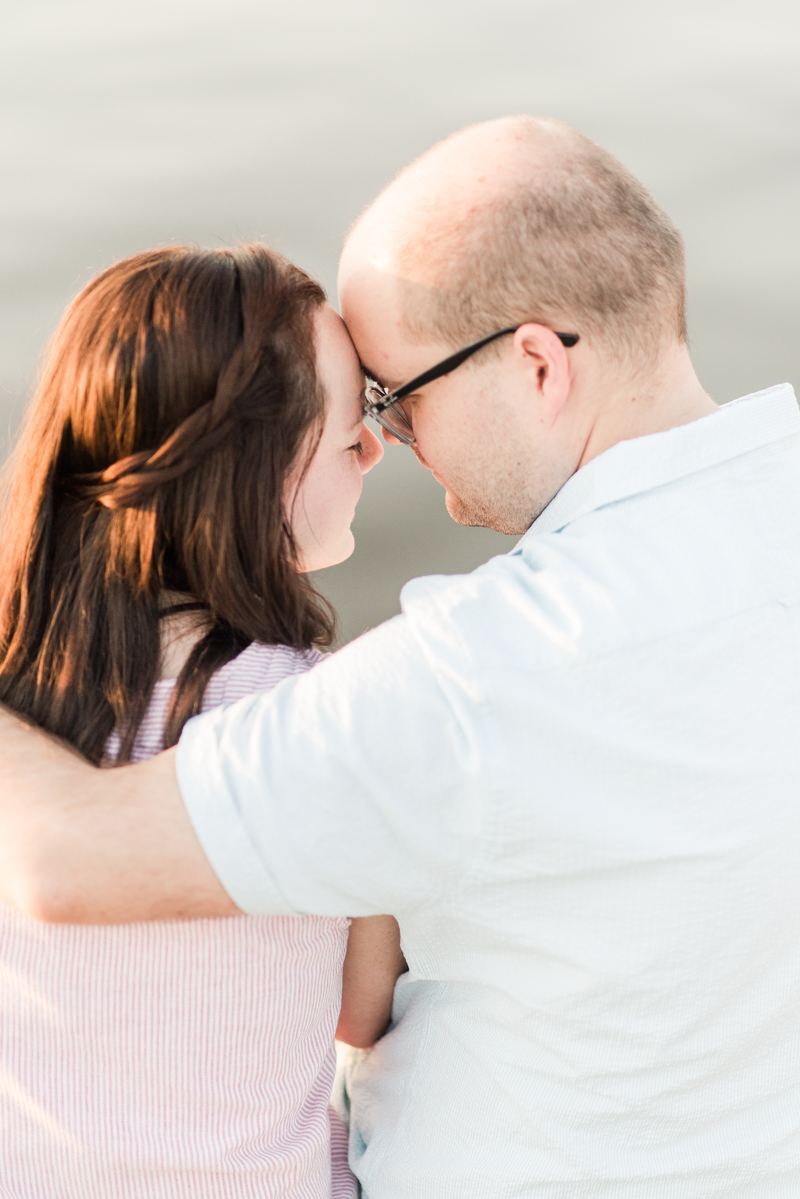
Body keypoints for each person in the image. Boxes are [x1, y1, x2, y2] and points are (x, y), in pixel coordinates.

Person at [1, 115, 800, 1197]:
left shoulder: (484, 671)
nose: (389, 440)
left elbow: (66, 856)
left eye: (400, 394)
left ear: (533, 362)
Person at [0, 242, 406, 1197]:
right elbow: (364, 1009)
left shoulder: (18, 695)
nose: (375, 447)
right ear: (258, 462)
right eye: (356, 422)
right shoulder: (324, 711)